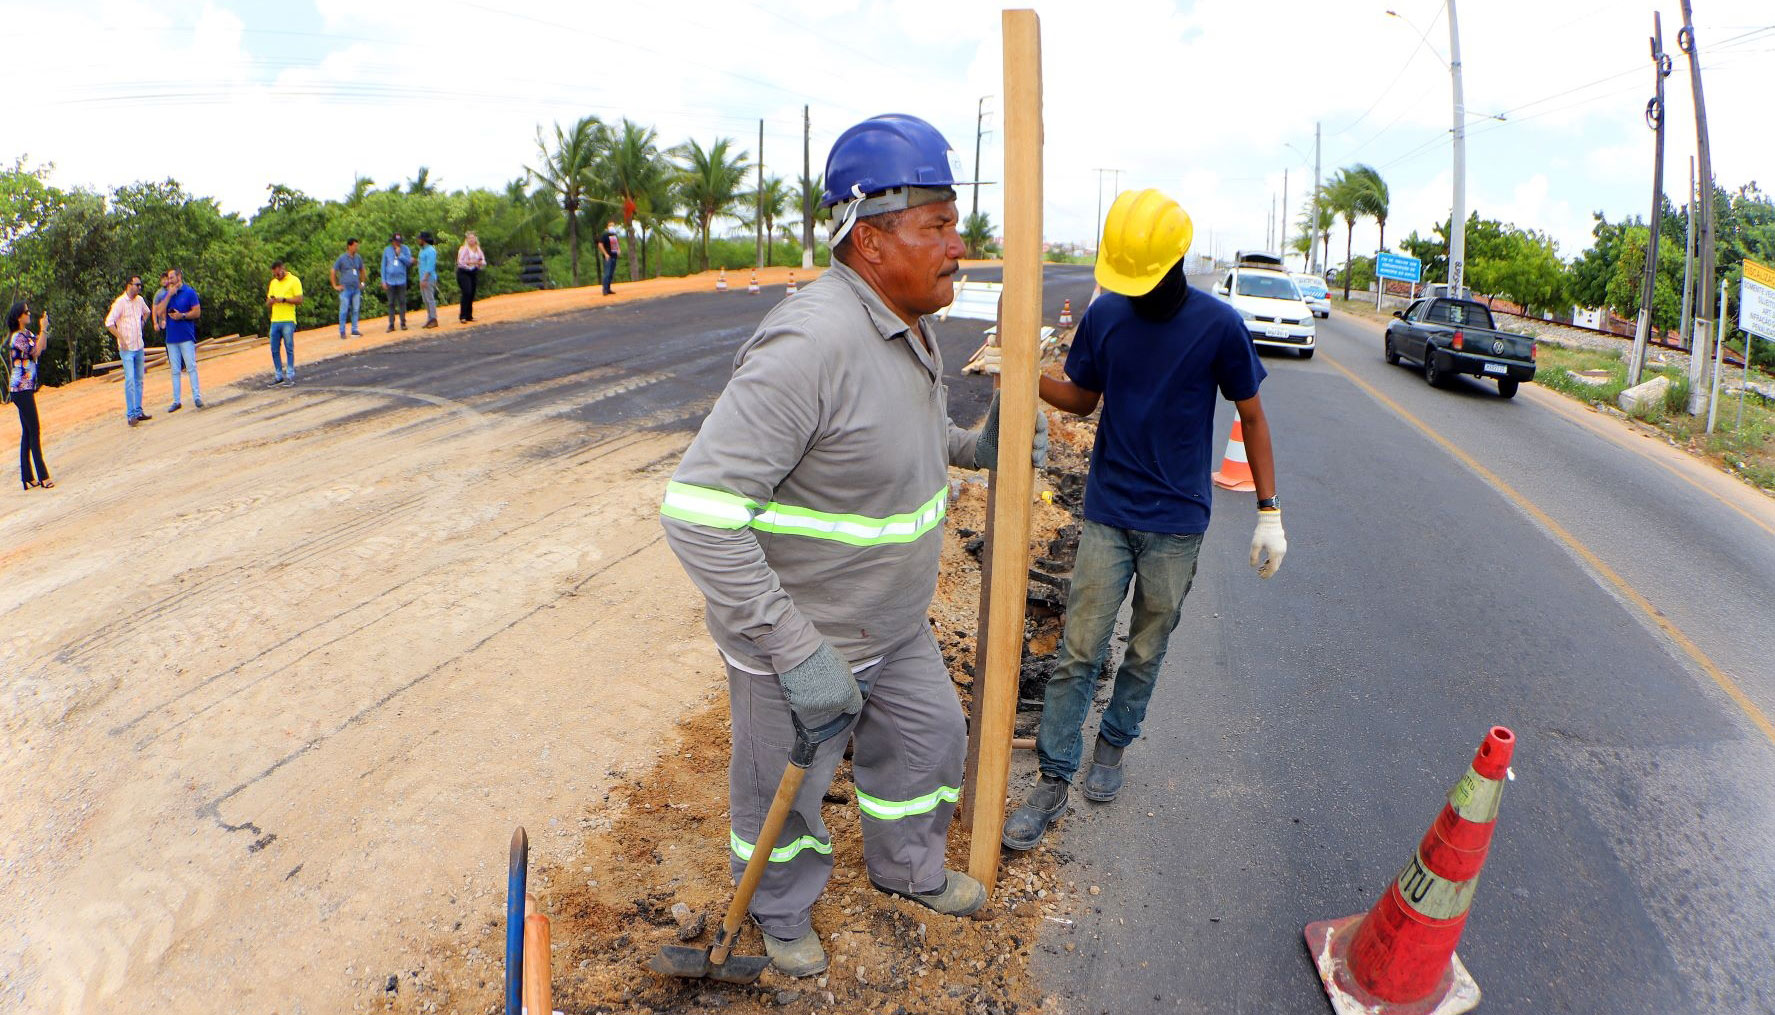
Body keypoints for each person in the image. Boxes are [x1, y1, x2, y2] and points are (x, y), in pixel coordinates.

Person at [660, 113, 1048, 979]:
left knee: (927, 743)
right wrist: (795, 650)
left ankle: (906, 868)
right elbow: (696, 511)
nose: (960, 246)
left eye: (958, 223)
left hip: (893, 622)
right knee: (782, 796)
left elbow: (881, 434)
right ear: (870, 238)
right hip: (800, 636)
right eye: (939, 225)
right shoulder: (812, 342)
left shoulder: (907, 318)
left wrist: (972, 446)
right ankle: (775, 911)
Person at [997, 189, 1286, 852]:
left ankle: (1114, 744)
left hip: (1176, 522)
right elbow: (1082, 398)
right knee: (1077, 648)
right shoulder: (1106, 317)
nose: (1135, 291)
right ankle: (1051, 777)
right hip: (1108, 509)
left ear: (1174, 261)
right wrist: (1026, 370)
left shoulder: (1218, 326)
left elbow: (1252, 416)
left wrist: (1268, 511)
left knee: (1147, 645)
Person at [8, 302, 52, 490]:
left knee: (28, 431)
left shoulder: (27, 334)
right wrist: (42, 329)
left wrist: (44, 331)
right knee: (34, 430)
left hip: (26, 388)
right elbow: (33, 351)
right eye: (26, 312)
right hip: (20, 389)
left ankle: (27, 477)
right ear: (19, 316)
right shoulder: (17, 337)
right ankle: (43, 476)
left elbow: (40, 349)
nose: (29, 314)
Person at [104, 275, 153, 426]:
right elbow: (109, 322)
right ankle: (131, 414)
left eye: (140, 285)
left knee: (139, 379)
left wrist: (142, 323)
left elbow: (147, 312)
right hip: (127, 348)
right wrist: (121, 337)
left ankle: (138, 410)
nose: (139, 288)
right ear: (128, 285)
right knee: (130, 380)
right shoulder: (120, 303)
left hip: (138, 345)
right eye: (137, 285)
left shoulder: (139, 301)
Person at [161, 268, 204, 411]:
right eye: (168, 278)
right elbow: (159, 312)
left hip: (186, 336)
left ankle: (197, 396)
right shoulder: (166, 294)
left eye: (172, 277)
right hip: (171, 338)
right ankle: (176, 400)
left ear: (179, 277)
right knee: (174, 370)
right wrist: (168, 296)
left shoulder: (189, 292)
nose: (170, 280)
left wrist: (183, 315)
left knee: (191, 366)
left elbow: (197, 312)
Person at [265, 260, 304, 385]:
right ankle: (278, 374)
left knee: (289, 346)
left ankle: (290, 374)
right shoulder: (273, 283)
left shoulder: (294, 281)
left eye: (278, 274)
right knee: (274, 348)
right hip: (275, 320)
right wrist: (271, 302)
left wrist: (285, 300)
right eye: (274, 275)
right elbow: (267, 302)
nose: (277, 276)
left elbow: (299, 299)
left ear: (282, 269)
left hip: (288, 319)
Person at [331, 238, 366, 339]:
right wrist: (335, 285)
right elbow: (333, 271)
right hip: (345, 289)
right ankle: (342, 331)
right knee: (344, 310)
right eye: (355, 245)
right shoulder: (342, 258)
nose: (356, 247)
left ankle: (354, 329)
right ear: (349, 246)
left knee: (355, 309)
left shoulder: (358, 257)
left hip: (356, 288)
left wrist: (362, 282)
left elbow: (362, 269)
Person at [380, 233, 413, 331]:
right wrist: (383, 280)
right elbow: (383, 266)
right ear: (392, 241)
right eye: (395, 241)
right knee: (391, 303)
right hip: (390, 281)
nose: (397, 243)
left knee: (402, 301)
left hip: (401, 280)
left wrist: (400, 255)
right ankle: (391, 324)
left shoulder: (405, 249)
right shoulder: (387, 250)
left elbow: (408, 263)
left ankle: (403, 322)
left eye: (399, 241)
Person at [455, 232, 485, 323]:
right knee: (466, 292)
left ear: (475, 239)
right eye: (469, 238)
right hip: (464, 272)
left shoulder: (478, 249)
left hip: (473, 272)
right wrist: (471, 263)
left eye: (473, 238)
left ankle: (469, 315)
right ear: (467, 240)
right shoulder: (464, 249)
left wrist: (476, 263)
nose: (471, 240)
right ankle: (462, 316)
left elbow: (483, 261)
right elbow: (460, 262)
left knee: (472, 293)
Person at [416, 231, 440, 328]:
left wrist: (424, 279)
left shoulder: (431, 250)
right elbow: (422, 263)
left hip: (428, 278)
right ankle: (429, 318)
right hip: (422, 277)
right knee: (425, 299)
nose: (418, 240)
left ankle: (434, 319)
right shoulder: (422, 250)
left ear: (424, 240)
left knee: (430, 299)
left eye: (420, 239)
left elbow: (430, 266)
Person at [597, 220, 621, 296]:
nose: (612, 227)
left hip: (614, 256)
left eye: (613, 225)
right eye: (611, 225)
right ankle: (604, 290)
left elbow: (616, 244)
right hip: (608, 257)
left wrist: (618, 250)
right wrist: (605, 254)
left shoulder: (614, 235)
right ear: (607, 227)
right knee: (607, 273)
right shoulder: (605, 235)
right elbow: (600, 245)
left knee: (611, 273)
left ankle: (608, 288)